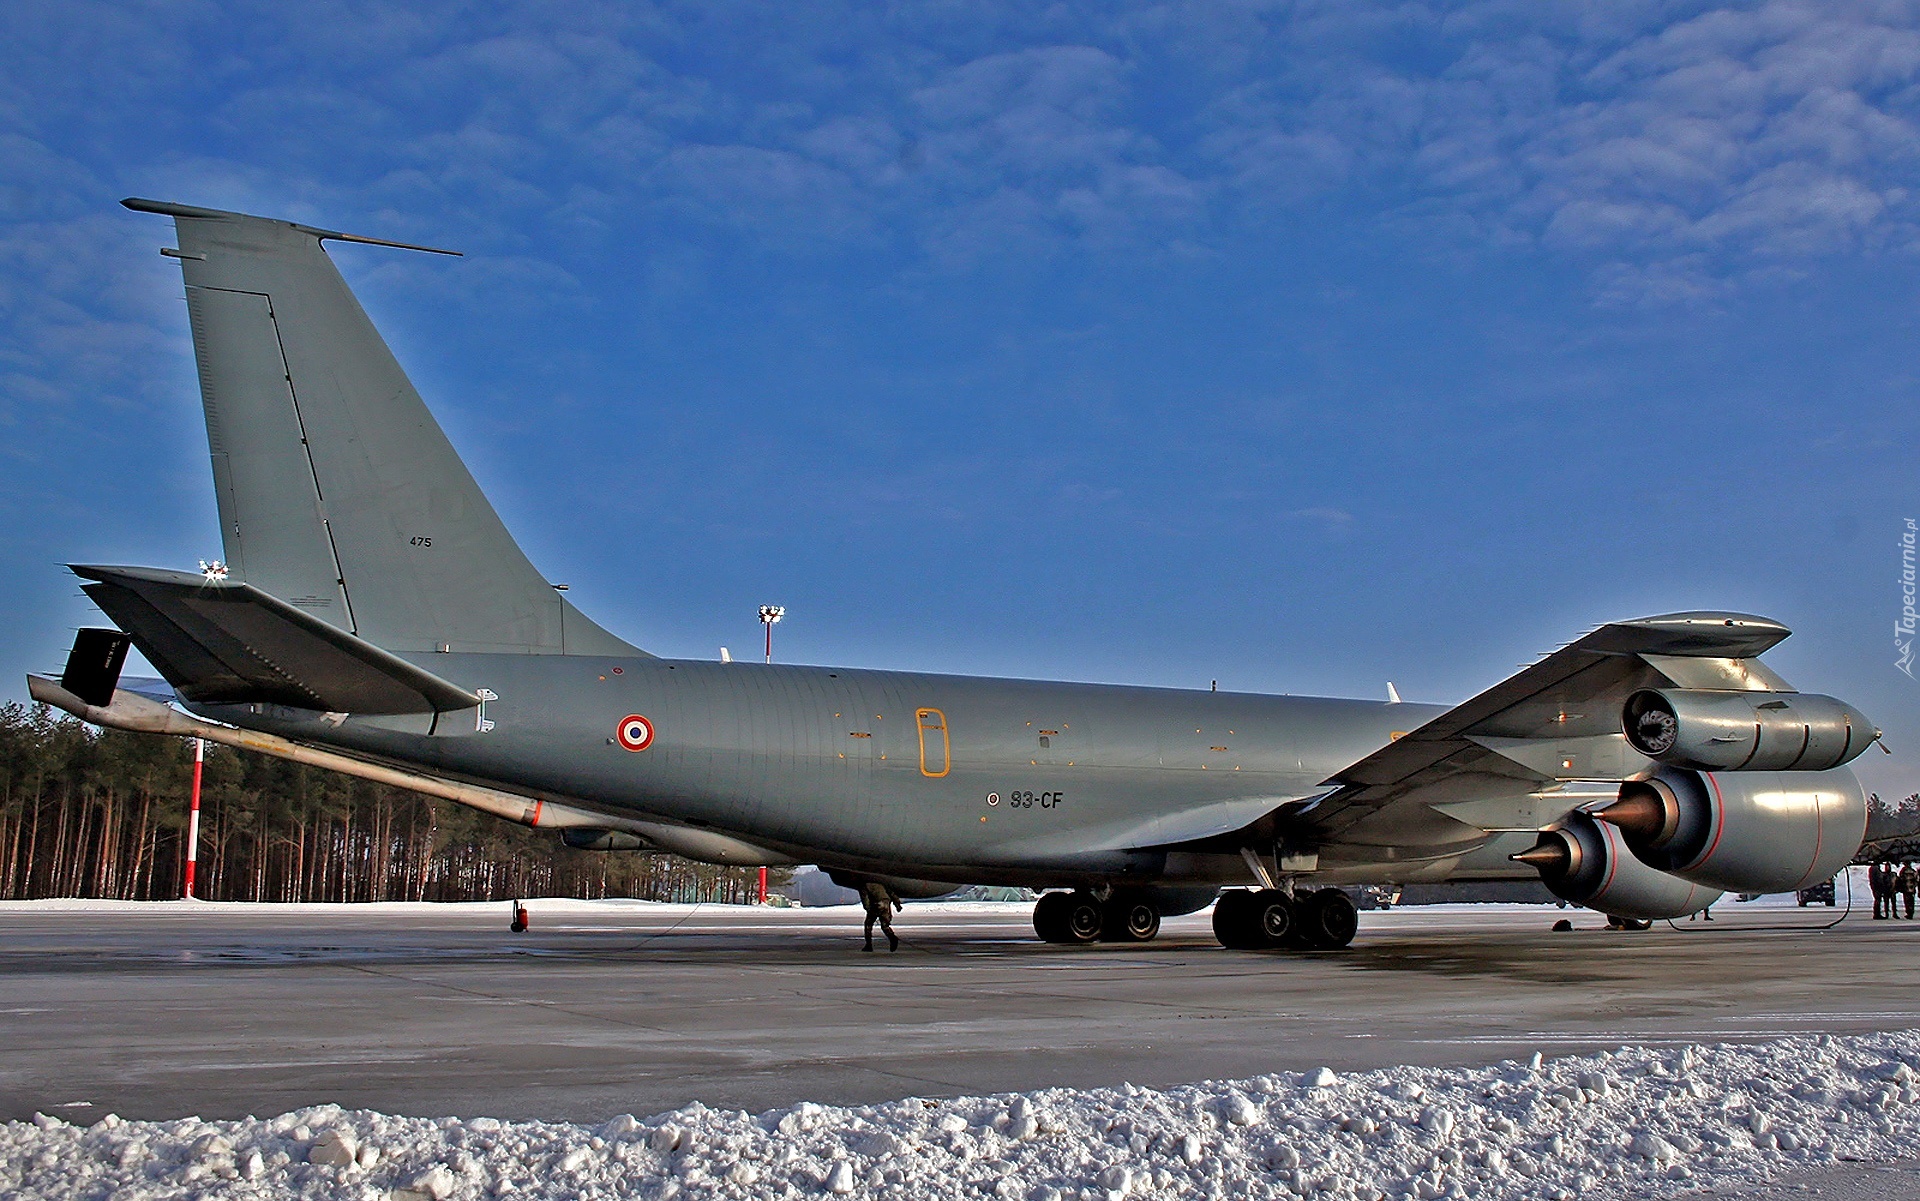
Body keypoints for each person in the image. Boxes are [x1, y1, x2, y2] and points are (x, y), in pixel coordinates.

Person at [861, 881, 901, 952]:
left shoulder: (865, 885)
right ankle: (892, 938)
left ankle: (868, 945)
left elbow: (865, 899)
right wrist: (897, 905)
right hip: (886, 903)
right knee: (885, 925)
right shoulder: (881, 883)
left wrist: (868, 910)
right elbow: (891, 893)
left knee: (868, 925)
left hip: (876, 904)